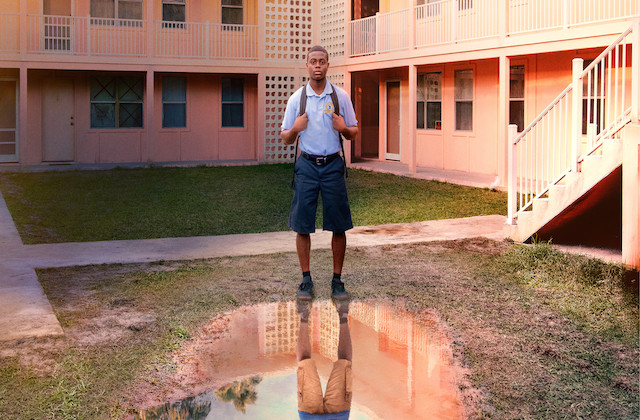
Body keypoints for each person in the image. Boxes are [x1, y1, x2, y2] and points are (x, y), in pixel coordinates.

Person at [280, 45, 359, 301]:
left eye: (322, 62)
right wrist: (295, 128)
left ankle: (337, 280)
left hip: (333, 164)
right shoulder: (297, 99)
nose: (317, 66)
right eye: (313, 61)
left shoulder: (340, 97)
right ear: (307, 65)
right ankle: (306, 280)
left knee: (339, 224)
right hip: (307, 166)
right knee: (302, 224)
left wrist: (343, 127)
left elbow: (354, 131)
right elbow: (285, 138)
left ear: (328, 65)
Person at [296, 299, 352, 419]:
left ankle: (304, 314)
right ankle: (343, 313)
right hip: (338, 416)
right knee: (344, 363)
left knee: (304, 363)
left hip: (310, 416)